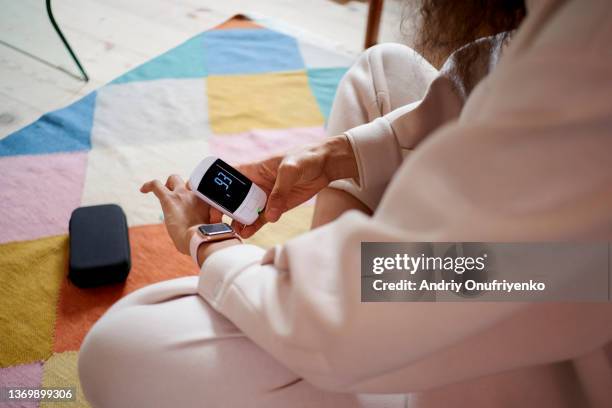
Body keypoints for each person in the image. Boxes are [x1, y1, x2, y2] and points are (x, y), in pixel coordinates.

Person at [78, 0, 612, 407]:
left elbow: (408, 283)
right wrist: (336, 156)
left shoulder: (591, 53)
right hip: (529, 271)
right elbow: (492, 80)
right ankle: (310, 342)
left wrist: (208, 241)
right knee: (385, 70)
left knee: (117, 347)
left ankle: (323, 363)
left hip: (540, 351)